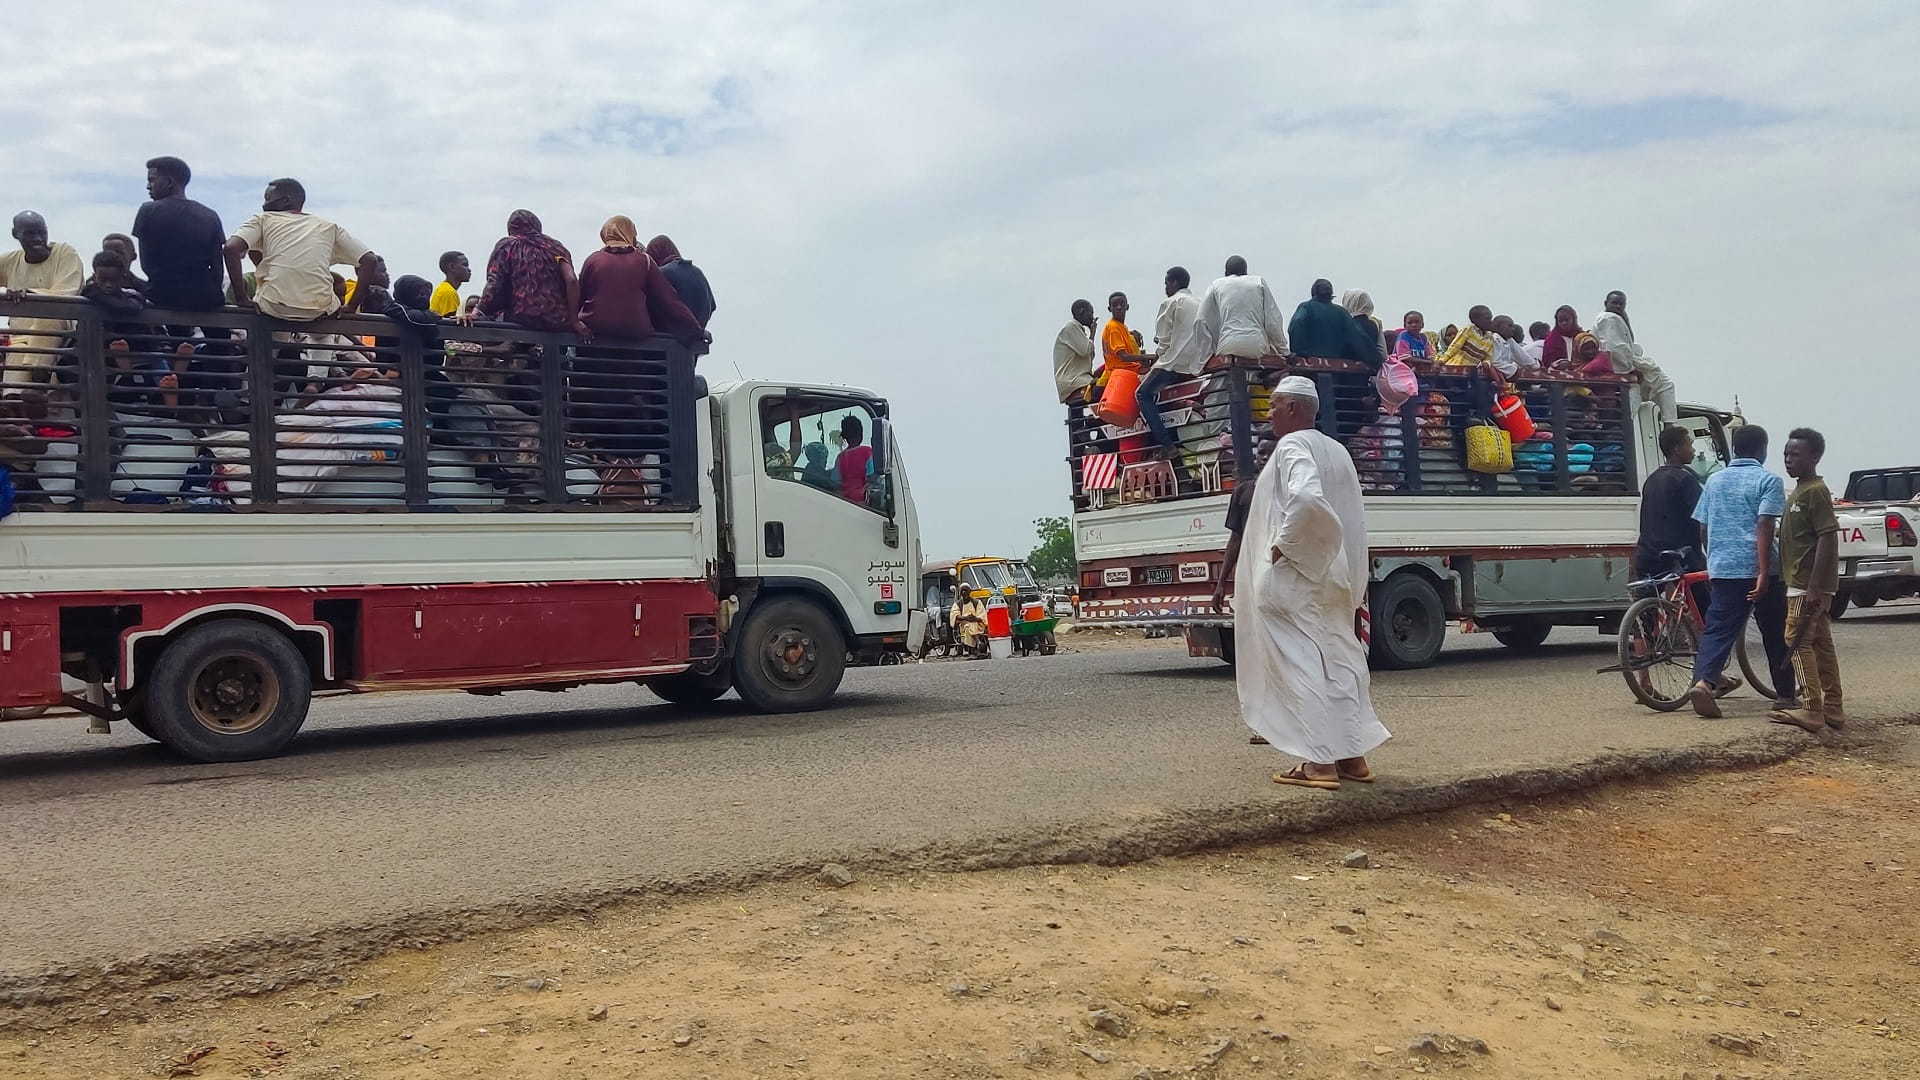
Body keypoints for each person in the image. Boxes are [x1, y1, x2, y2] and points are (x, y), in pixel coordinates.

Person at [1237, 375, 1390, 789]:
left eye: (1273, 405)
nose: (1268, 412)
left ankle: (1318, 764)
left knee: (1297, 659)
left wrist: (1282, 548)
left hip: (1297, 573)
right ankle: (1351, 757)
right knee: (1338, 658)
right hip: (1334, 571)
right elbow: (1353, 517)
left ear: (1292, 408)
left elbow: (1305, 499)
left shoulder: (1292, 445)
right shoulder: (1337, 450)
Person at [1685, 424, 1786, 717]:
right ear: (1762, 450)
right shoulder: (1768, 480)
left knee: (1717, 629)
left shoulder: (1714, 481)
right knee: (1775, 632)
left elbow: (1703, 527)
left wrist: (1714, 556)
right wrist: (1764, 572)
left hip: (1724, 567)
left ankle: (1704, 683)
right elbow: (1765, 525)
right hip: (1758, 568)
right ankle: (1785, 695)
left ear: (1735, 448)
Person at [224, 179, 381, 322]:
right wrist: (352, 306)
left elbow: (231, 248)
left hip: (273, 306)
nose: (264, 205)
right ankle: (321, 351)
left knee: (271, 322)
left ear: (286, 201)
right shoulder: (328, 227)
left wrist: (242, 298)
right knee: (323, 334)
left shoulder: (263, 219)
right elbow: (369, 260)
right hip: (319, 309)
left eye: (268, 199)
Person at [1774, 428, 1846, 733]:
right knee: (1820, 643)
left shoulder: (1815, 491)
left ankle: (1811, 708)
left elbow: (1827, 537)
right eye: (1787, 455)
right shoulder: (1800, 491)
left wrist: (1815, 586)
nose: (1789, 460)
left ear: (1815, 457)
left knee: (1796, 640)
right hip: (1802, 581)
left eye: (1796, 455)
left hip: (1806, 584)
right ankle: (1834, 708)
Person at [577, 216, 704, 344]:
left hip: (595, 330)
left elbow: (578, 297)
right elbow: (669, 300)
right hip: (634, 332)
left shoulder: (593, 260)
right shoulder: (645, 261)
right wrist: (696, 330)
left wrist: (574, 323)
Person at [0, 211, 87, 388]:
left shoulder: (65, 252)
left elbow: (65, 293)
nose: (38, 239)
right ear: (16, 234)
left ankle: (39, 375)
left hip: (60, 330)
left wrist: (28, 292)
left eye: (42, 232)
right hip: (22, 337)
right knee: (18, 351)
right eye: (30, 233)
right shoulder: (10, 261)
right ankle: (15, 401)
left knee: (49, 318)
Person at [471, 210, 582, 335]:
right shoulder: (556, 248)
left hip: (521, 318)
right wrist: (575, 320)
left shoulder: (507, 245)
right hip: (556, 320)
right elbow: (571, 280)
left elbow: (495, 282)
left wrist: (478, 311)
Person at [1136, 267, 1203, 452]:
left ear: (1174, 283)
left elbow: (1163, 342)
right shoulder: (1200, 303)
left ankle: (1167, 446)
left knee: (1142, 394)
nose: (1165, 287)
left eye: (1166, 283)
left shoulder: (1171, 303)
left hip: (1173, 363)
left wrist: (1155, 360)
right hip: (1195, 365)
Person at [1593, 290, 1676, 424]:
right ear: (1606, 303)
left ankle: (1667, 424)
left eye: (1621, 304)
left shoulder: (1614, 318)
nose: (1618, 307)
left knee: (1662, 384)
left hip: (1622, 365)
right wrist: (1632, 369)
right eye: (1614, 303)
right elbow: (1615, 348)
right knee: (1664, 384)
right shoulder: (1609, 318)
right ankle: (1670, 424)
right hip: (1619, 368)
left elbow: (1627, 344)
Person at [1191, 256, 1289, 362]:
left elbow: (1200, 320)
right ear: (1246, 273)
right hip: (1257, 346)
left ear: (1226, 273)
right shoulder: (1258, 282)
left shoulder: (1216, 285)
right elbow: (1273, 321)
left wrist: (1204, 356)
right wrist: (1283, 350)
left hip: (1228, 344)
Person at [1286, 279, 1375, 365]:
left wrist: (1298, 352)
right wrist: (1374, 359)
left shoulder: (1306, 307)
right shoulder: (1341, 312)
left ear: (1313, 293)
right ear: (1331, 294)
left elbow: (1297, 324)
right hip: (1335, 366)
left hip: (1309, 364)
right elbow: (1357, 336)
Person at [645, 235, 716, 327]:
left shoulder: (662, 273)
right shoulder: (697, 271)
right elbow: (712, 305)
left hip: (670, 336)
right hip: (697, 336)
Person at [1052, 299, 1098, 404]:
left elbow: (1090, 356)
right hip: (1072, 380)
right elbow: (1085, 351)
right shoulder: (1071, 327)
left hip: (1079, 377)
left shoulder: (1078, 330)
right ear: (1081, 311)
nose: (1092, 317)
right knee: (1103, 387)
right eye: (1091, 313)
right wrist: (1093, 333)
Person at [1436, 305, 1498, 374]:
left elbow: (1488, 357)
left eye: (1491, 318)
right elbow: (1454, 347)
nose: (1491, 321)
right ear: (1475, 320)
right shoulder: (1469, 329)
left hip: (1471, 372)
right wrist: (1441, 361)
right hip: (1454, 369)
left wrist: (1486, 363)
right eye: (1487, 318)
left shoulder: (1490, 337)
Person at [1338, 289, 1388, 362]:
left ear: (1349, 303)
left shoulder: (1344, 323)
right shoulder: (1375, 323)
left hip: (1345, 369)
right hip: (1369, 370)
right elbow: (1383, 354)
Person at [834, 413, 873, 504]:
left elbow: (835, 481)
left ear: (844, 436)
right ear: (861, 434)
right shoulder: (868, 452)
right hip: (863, 502)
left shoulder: (840, 457)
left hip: (844, 501)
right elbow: (874, 478)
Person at [1540, 306, 1583, 370]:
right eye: (1560, 321)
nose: (1564, 323)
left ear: (1573, 319)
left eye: (1566, 320)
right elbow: (1547, 362)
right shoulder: (1552, 339)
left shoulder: (1582, 337)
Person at [431, 251, 469, 316]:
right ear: (452, 267)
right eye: (465, 265)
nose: (469, 269)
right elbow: (451, 323)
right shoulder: (448, 292)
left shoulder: (443, 289)